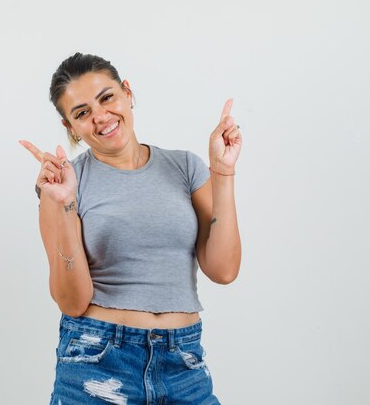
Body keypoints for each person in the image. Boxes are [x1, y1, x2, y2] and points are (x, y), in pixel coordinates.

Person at [19, 52, 242, 405]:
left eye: (106, 97)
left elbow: (224, 269)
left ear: (127, 92)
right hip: (98, 361)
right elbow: (71, 301)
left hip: (183, 363)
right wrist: (64, 203)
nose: (101, 117)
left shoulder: (185, 167)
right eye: (82, 113)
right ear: (70, 128)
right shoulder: (65, 183)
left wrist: (223, 173)